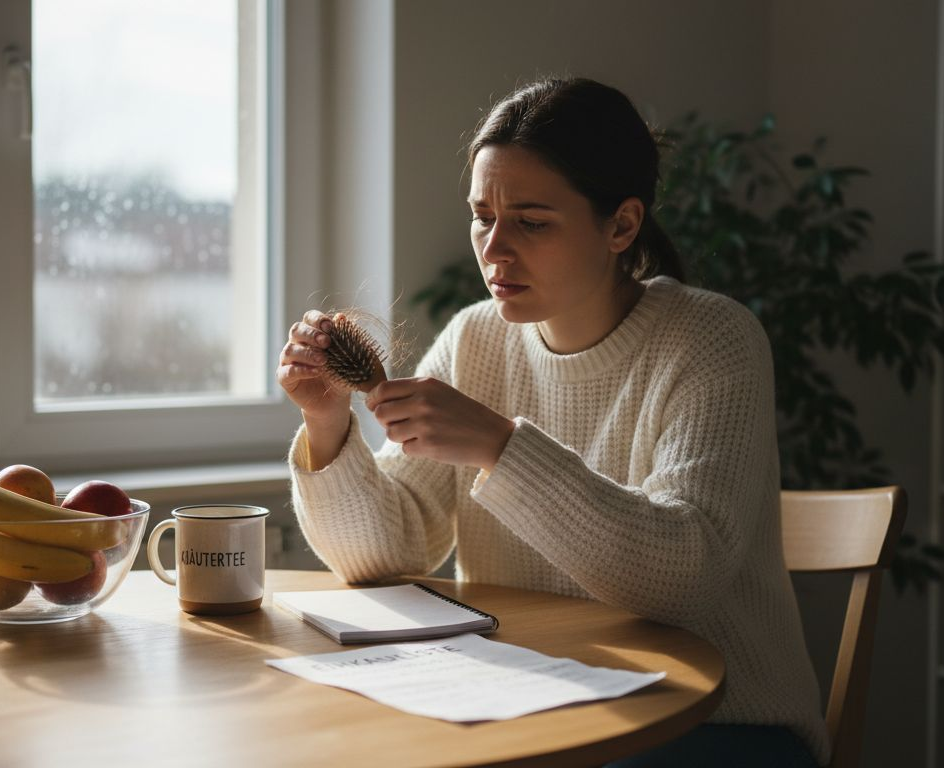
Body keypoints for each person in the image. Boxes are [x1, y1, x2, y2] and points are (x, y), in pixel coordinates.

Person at [276, 77, 826, 767]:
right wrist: (328, 427)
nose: (494, 249)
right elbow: (388, 556)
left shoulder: (712, 340)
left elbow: (683, 577)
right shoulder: (476, 339)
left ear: (622, 225)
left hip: (720, 721)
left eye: (532, 222)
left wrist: (499, 447)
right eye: (482, 216)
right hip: (533, 704)